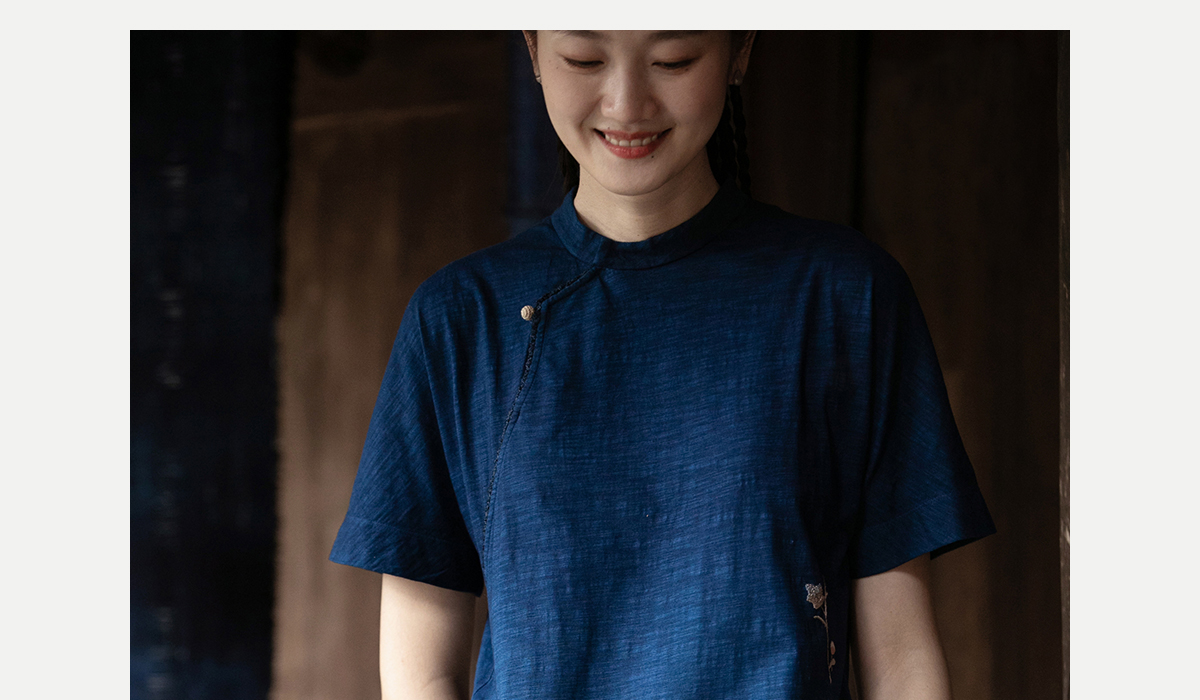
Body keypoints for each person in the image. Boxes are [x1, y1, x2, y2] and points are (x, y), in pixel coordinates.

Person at [330, 30, 995, 700]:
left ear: (740, 50)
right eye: (584, 59)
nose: (626, 104)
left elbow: (902, 660)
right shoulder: (459, 319)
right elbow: (420, 673)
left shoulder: (846, 296)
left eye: (672, 60)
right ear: (532, 48)